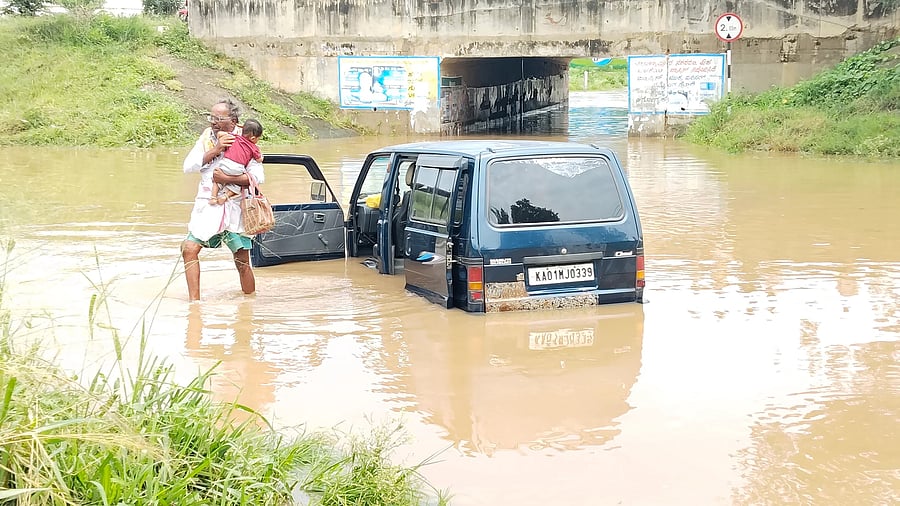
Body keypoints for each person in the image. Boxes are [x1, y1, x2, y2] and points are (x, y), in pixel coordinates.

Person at [181, 99, 265, 302]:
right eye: (212, 117)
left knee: (242, 260)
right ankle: (195, 304)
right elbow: (188, 166)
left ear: (234, 121)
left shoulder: (246, 140)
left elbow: (258, 178)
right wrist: (216, 150)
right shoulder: (206, 138)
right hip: (209, 206)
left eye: (219, 118)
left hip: (235, 208)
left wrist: (227, 179)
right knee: (189, 249)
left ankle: (250, 305)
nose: (213, 122)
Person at [208, 118, 264, 205]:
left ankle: (213, 197)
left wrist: (224, 178)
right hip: (237, 168)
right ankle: (226, 196)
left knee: (216, 180)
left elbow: (219, 134)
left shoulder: (233, 138)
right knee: (237, 185)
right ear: (253, 138)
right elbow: (259, 159)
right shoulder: (254, 148)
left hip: (225, 164)